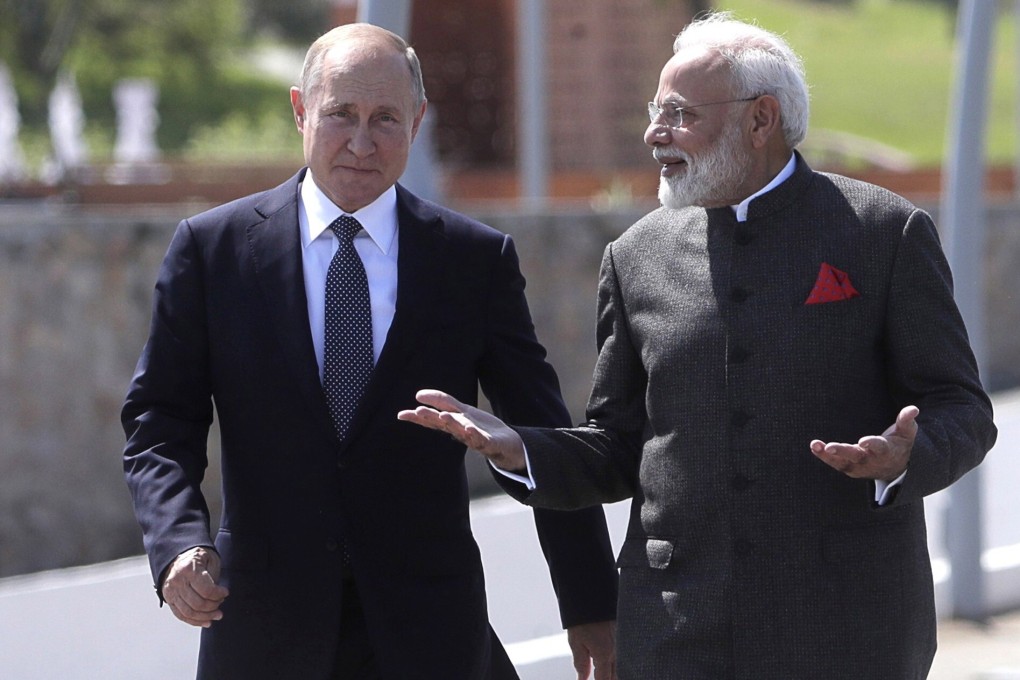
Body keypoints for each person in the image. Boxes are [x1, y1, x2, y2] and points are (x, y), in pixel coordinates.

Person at [398, 12, 998, 680]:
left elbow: (963, 409)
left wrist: (904, 457)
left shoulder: (884, 233)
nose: (655, 133)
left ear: (760, 120)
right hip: (677, 638)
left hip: (847, 632)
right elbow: (622, 446)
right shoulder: (635, 257)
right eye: (656, 111)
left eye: (679, 114)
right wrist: (521, 448)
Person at [122, 23, 618, 680]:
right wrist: (178, 542)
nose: (361, 142)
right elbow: (159, 420)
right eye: (340, 116)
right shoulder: (212, 253)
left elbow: (544, 435)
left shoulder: (471, 262)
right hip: (266, 634)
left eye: (385, 118)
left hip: (430, 636)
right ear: (301, 110)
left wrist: (589, 604)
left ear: (417, 121)